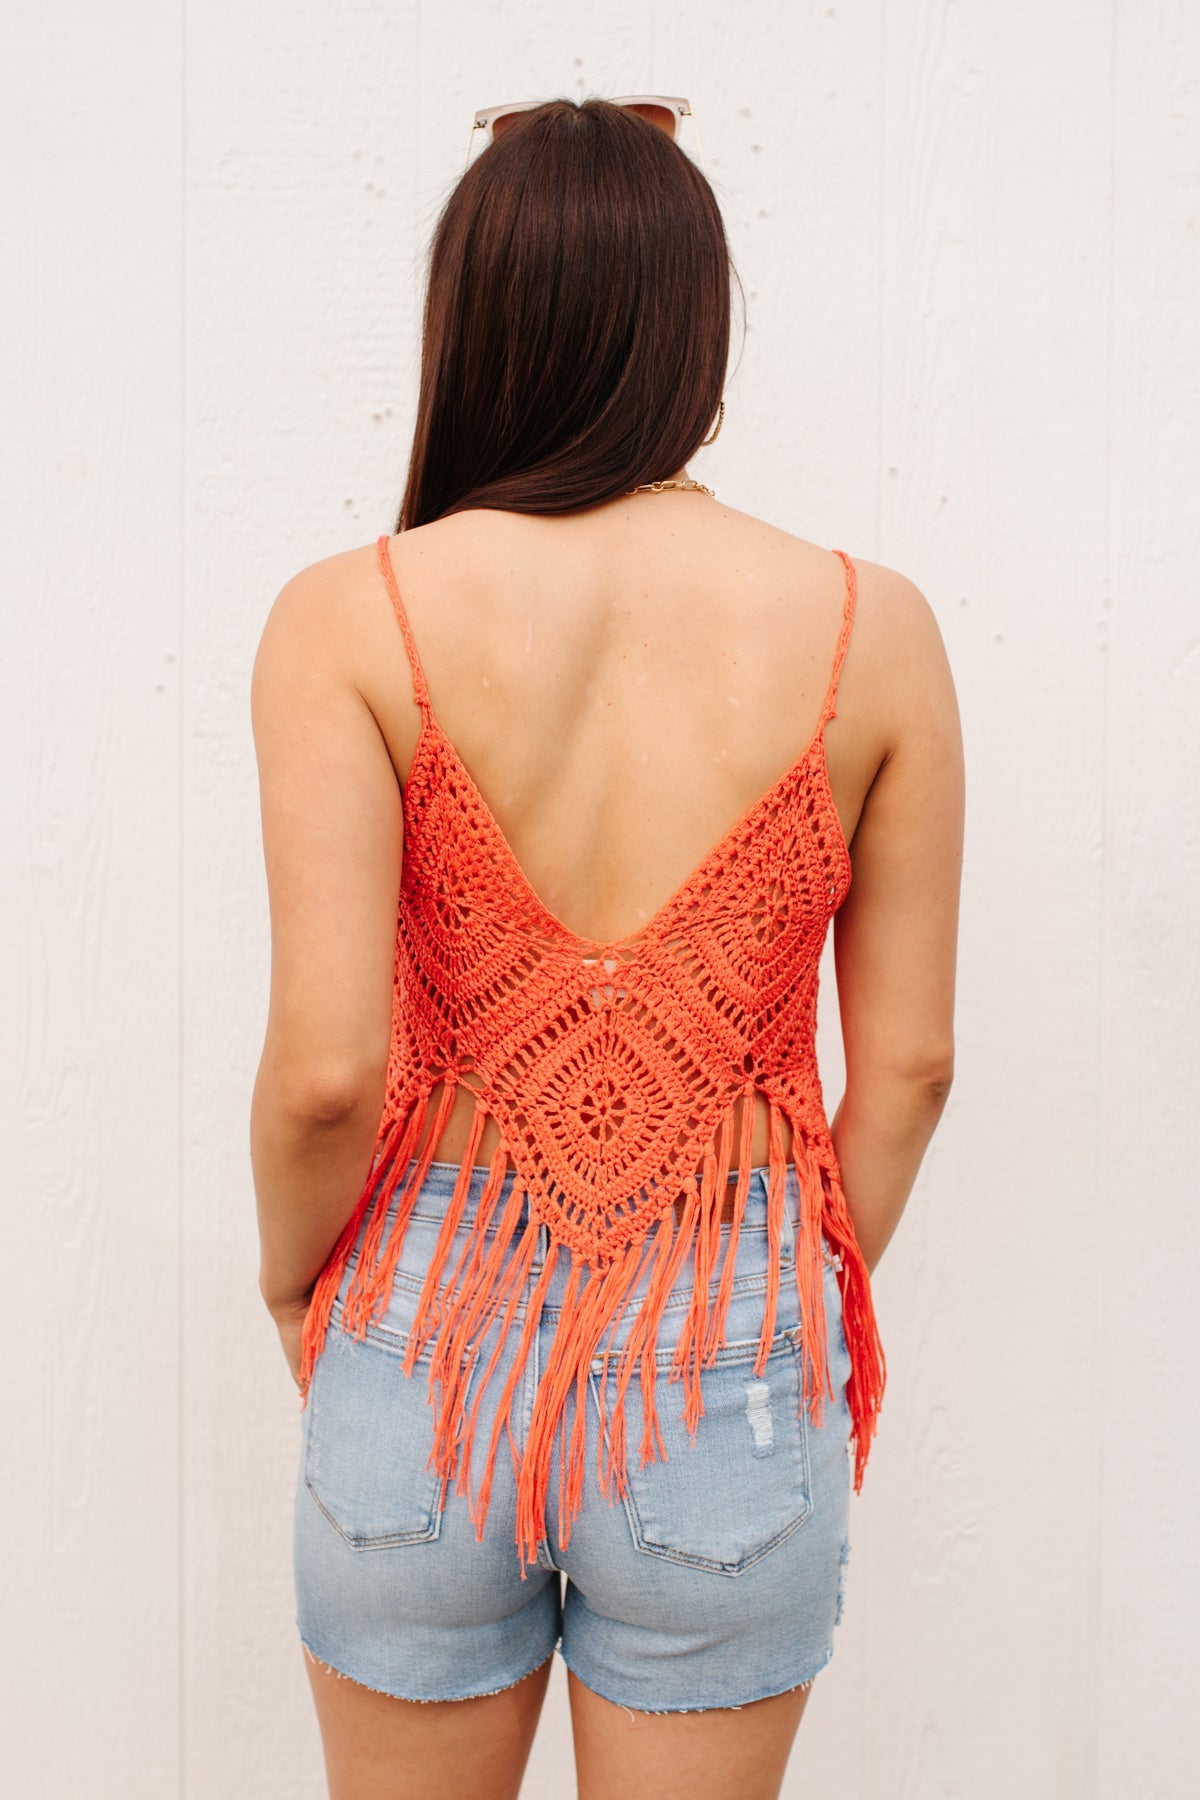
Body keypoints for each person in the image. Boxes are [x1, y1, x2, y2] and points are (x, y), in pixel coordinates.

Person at [250, 95, 963, 1800]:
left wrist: (293, 1282)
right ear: (695, 325)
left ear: (475, 319)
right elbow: (913, 1069)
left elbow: (330, 1071)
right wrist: (774, 1297)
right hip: (732, 1308)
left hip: (425, 1318)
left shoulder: (351, 615)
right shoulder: (873, 629)